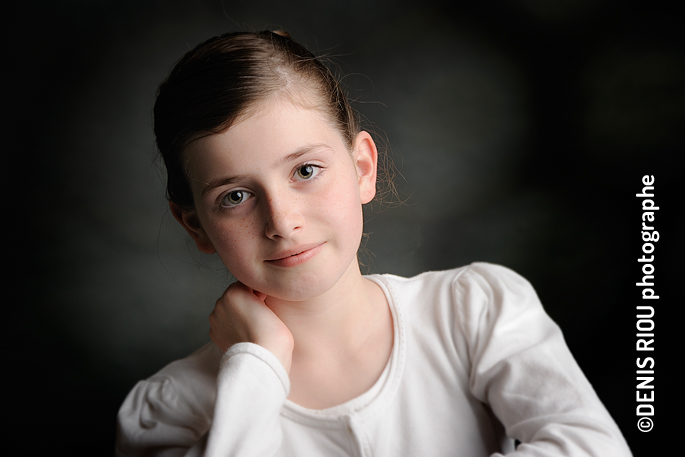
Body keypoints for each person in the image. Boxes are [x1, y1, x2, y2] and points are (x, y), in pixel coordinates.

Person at [116, 30, 632, 456]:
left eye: (306, 170)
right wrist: (256, 362)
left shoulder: (473, 315)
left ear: (362, 169)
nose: (282, 220)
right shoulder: (170, 412)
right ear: (195, 225)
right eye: (235, 196)